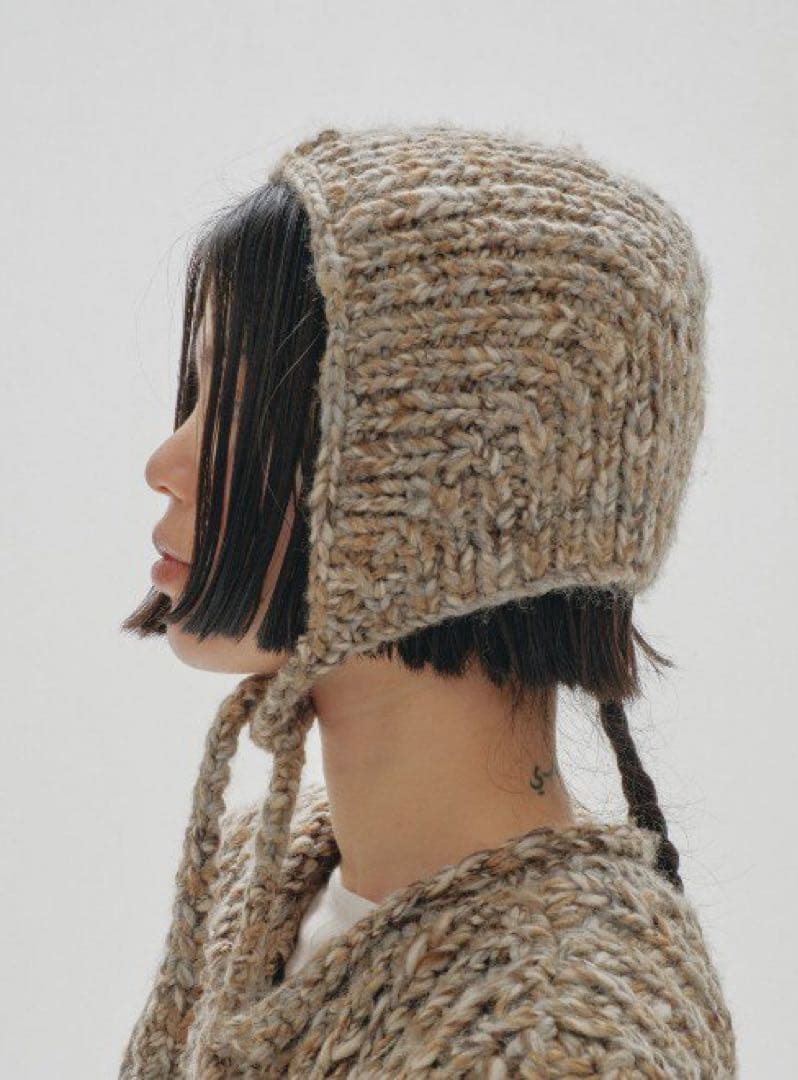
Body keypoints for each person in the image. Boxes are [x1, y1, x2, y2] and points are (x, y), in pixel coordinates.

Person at [118, 123, 737, 1077]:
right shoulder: (261, 881)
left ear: (433, 493)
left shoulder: (557, 1045)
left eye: (240, 404)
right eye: (197, 395)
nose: (166, 461)